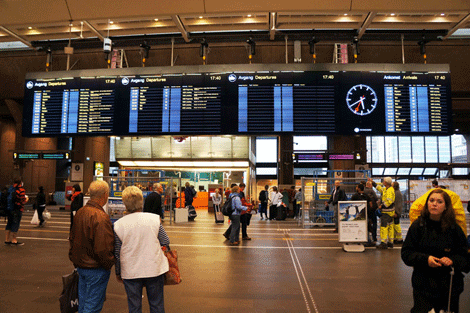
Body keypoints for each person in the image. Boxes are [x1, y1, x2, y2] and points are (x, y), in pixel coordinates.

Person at [401, 189, 470, 313]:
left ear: (446, 207)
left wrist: (452, 260)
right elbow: (406, 253)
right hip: (423, 286)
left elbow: (465, 258)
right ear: (426, 204)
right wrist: (426, 259)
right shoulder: (418, 226)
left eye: (439, 201)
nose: (434, 204)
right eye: (431, 200)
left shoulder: (455, 229)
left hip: (449, 287)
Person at [114, 186, 170, 313]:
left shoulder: (118, 225)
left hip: (131, 271)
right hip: (154, 268)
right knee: (157, 305)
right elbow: (165, 241)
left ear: (124, 204)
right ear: (141, 201)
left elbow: (117, 252)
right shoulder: (154, 219)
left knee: (134, 307)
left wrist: (118, 272)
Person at [69, 180, 115, 313]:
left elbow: (72, 238)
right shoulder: (101, 217)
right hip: (96, 269)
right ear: (105, 195)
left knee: (83, 304)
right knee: (92, 307)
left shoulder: (80, 212)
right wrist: (109, 263)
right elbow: (103, 248)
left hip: (81, 266)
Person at [5, 177, 28, 246]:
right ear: (20, 182)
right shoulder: (21, 189)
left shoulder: (10, 189)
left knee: (9, 223)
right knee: (15, 224)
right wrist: (26, 200)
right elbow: (22, 201)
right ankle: (14, 240)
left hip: (9, 209)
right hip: (17, 209)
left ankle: (7, 239)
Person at [375, 177, 396, 249]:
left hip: (387, 211)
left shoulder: (389, 190)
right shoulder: (387, 189)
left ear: (386, 183)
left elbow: (389, 201)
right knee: (390, 227)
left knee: (383, 227)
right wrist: (373, 183)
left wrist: (381, 206)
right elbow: (380, 189)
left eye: (383, 181)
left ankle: (383, 243)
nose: (383, 182)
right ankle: (390, 242)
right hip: (391, 212)